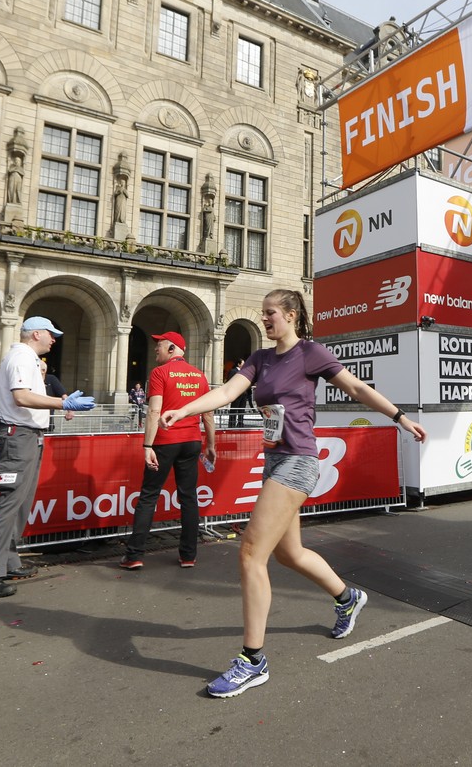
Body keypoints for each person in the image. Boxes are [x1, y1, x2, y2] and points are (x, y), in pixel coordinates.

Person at [159, 289, 426, 698]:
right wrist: (185, 410)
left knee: (251, 552)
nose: (264, 319)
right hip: (274, 460)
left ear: (291, 315)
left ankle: (252, 660)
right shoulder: (260, 358)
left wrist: (400, 417)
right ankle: (347, 597)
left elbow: (356, 388)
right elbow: (227, 392)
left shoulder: (309, 353)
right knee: (289, 553)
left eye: (270, 313)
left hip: (298, 461)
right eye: (263, 313)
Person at [0, 317, 94, 598]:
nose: (54, 340)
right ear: (36, 334)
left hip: (27, 436)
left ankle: (7, 561)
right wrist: (62, 402)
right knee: (9, 502)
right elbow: (22, 397)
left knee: (20, 502)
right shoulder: (21, 357)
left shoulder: (29, 359)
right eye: (51, 334)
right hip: (18, 435)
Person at [122, 332, 216, 571]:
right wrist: (211, 445)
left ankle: (134, 555)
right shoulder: (199, 375)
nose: (156, 349)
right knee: (189, 497)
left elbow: (154, 411)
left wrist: (147, 446)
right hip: (191, 441)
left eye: (160, 346)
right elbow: (208, 413)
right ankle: (188, 556)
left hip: (165, 442)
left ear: (172, 348)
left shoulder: (159, 373)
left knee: (149, 496)